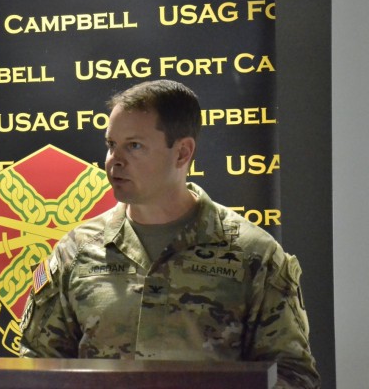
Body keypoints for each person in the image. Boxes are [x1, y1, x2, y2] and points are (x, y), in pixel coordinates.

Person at [19, 79, 320, 388]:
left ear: (182, 153)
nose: (114, 161)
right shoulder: (76, 251)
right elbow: (37, 364)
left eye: (134, 146)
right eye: (111, 145)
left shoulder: (253, 255)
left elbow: (293, 377)